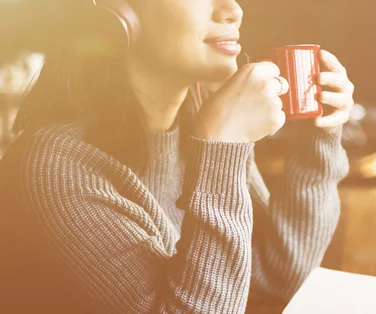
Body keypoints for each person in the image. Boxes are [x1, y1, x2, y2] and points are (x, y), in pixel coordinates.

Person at [0, 0, 354, 313]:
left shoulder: (199, 117)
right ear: (117, 11)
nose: (233, 10)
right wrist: (223, 149)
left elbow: (279, 275)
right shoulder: (55, 166)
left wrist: (319, 133)